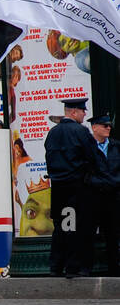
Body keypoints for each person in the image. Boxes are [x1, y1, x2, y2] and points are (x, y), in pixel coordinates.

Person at [44, 98, 97, 277]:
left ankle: (56, 265)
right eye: (83, 111)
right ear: (74, 112)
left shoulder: (53, 133)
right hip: (77, 187)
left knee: (63, 226)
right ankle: (73, 266)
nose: (84, 114)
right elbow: (92, 156)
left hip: (58, 187)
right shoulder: (80, 132)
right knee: (78, 226)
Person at [87, 114, 119, 276]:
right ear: (94, 128)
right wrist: (100, 183)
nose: (108, 128)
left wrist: (114, 182)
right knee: (89, 232)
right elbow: (86, 172)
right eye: (104, 126)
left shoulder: (116, 146)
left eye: (109, 126)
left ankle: (114, 267)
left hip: (113, 196)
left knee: (113, 233)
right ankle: (87, 268)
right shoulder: (87, 147)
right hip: (95, 196)